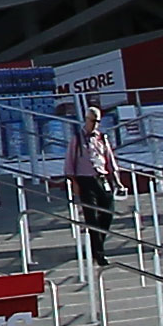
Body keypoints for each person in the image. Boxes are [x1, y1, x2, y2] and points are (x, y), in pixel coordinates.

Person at [70, 99, 124, 263]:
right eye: (93, 120)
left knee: (107, 212)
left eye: (98, 121)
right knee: (91, 217)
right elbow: (70, 162)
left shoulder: (102, 138)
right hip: (85, 180)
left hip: (101, 178)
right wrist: (74, 182)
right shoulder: (77, 139)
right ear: (86, 119)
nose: (95, 124)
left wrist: (117, 181)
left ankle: (97, 244)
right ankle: (98, 253)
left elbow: (110, 161)